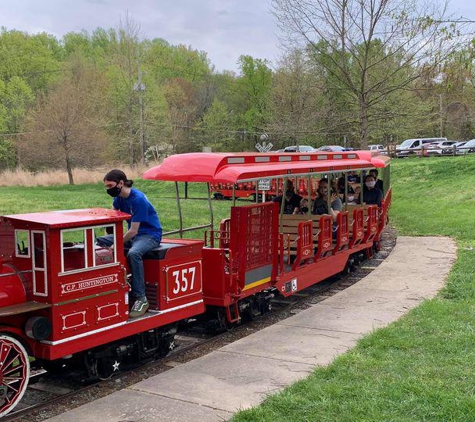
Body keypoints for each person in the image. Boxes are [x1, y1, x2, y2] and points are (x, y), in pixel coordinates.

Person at [97, 169, 162, 318]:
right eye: (106, 186)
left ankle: (141, 298)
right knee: (98, 241)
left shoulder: (138, 199)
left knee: (134, 253)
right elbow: (112, 216)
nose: (108, 189)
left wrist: (116, 243)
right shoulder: (119, 198)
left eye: (110, 185)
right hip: (134, 235)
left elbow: (133, 231)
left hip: (149, 235)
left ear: (121, 183)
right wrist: (109, 234)